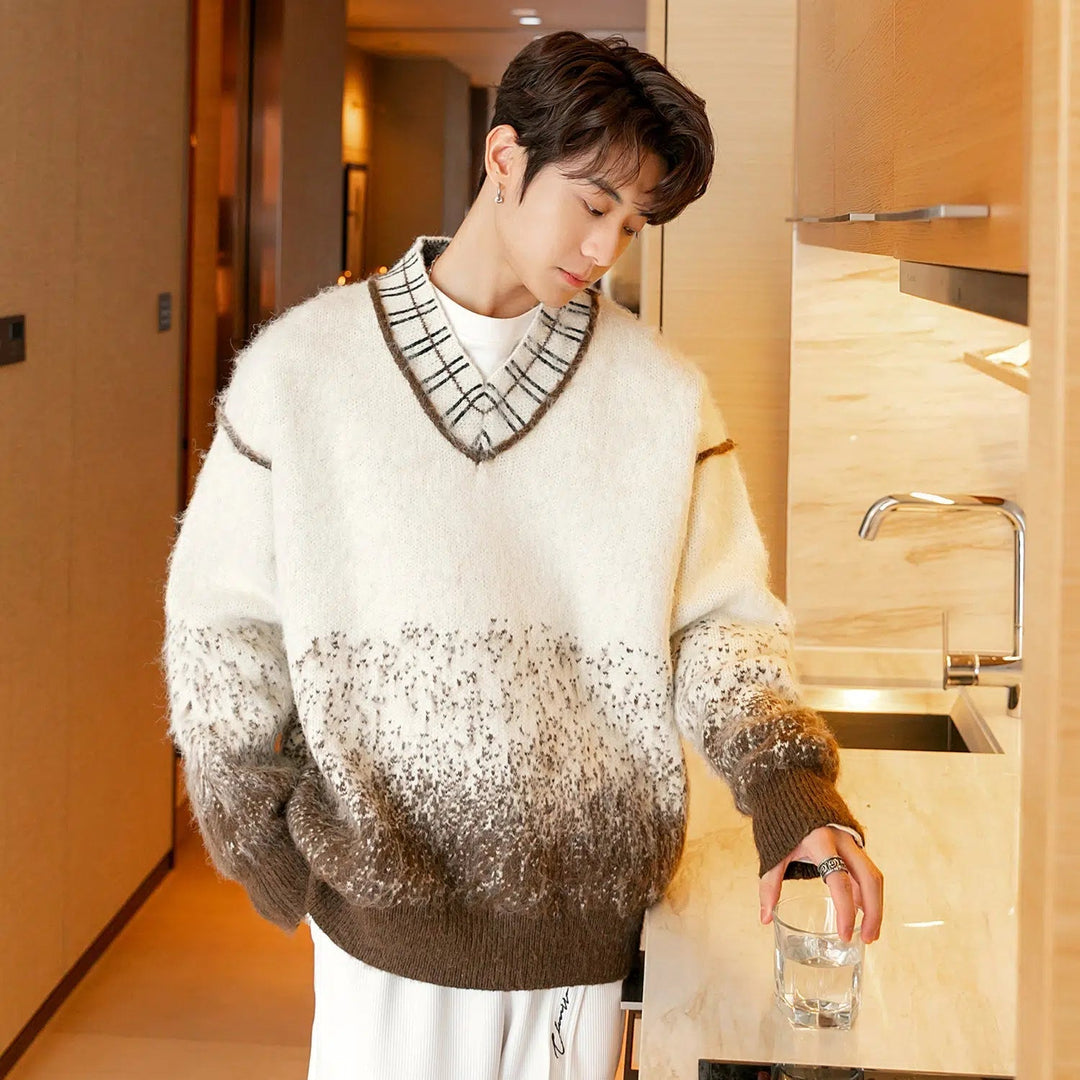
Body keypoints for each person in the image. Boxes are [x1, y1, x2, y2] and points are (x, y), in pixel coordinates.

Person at [160, 28, 884, 1080]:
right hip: (376, 941)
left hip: (580, 942)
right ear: (505, 158)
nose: (604, 248)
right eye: (593, 204)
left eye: (631, 225)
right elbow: (222, 626)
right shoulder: (302, 372)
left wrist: (791, 794)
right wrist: (264, 846)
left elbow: (723, 629)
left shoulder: (661, 399)